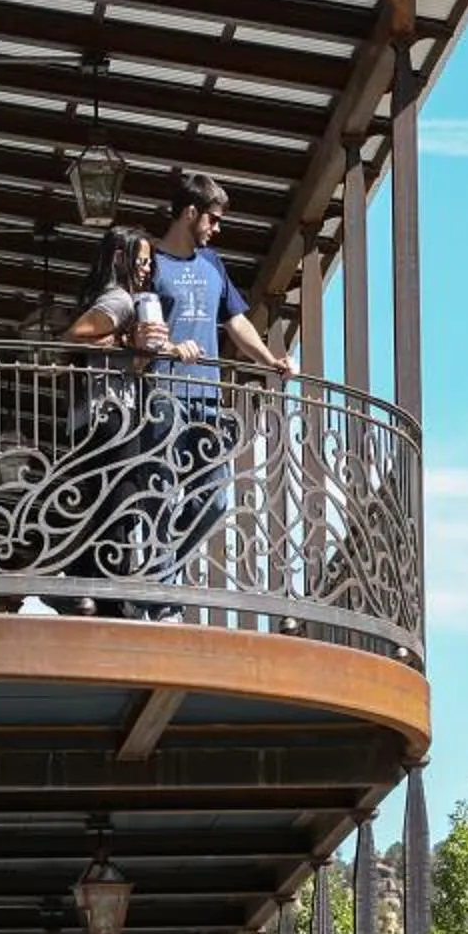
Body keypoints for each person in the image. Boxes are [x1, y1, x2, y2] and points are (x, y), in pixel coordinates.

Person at [135, 171, 293, 620]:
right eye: (213, 219)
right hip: (162, 396)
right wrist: (166, 347)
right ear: (190, 213)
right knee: (162, 493)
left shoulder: (213, 265)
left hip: (207, 400)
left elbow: (235, 320)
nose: (217, 228)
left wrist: (268, 359)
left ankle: (159, 579)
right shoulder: (152, 265)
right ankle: (164, 601)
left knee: (214, 497)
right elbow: (138, 330)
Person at [54, 224, 171, 615]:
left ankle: (93, 589)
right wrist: (126, 341)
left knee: (108, 503)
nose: (146, 269)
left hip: (99, 416)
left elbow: (128, 366)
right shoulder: (120, 301)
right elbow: (71, 339)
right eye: (141, 261)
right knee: (121, 501)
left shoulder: (121, 302)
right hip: (111, 417)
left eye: (149, 263)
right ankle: (108, 595)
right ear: (121, 259)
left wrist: (142, 352)